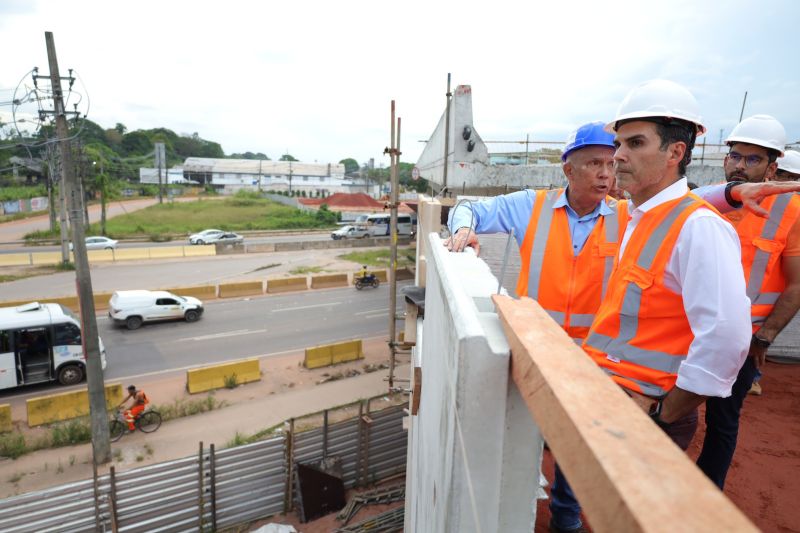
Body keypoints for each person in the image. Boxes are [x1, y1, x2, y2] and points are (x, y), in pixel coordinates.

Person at [445, 111, 799, 533]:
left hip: (611, 374)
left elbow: (682, 202)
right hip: (545, 352)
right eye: (598, 159)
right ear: (568, 167)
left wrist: (734, 191)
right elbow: (468, 208)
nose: (609, 167)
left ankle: (566, 516)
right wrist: (464, 231)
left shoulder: (627, 215)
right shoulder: (536, 207)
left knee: (601, 484)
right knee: (538, 441)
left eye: (617, 155)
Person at [696, 115, 800, 489]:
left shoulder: (792, 213)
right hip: (686, 333)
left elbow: (796, 285)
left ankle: (707, 495)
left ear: (773, 167)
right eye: (734, 156)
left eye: (752, 159)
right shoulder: (705, 202)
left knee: (722, 421)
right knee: (668, 413)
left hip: (744, 341)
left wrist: (765, 336)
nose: (739, 165)